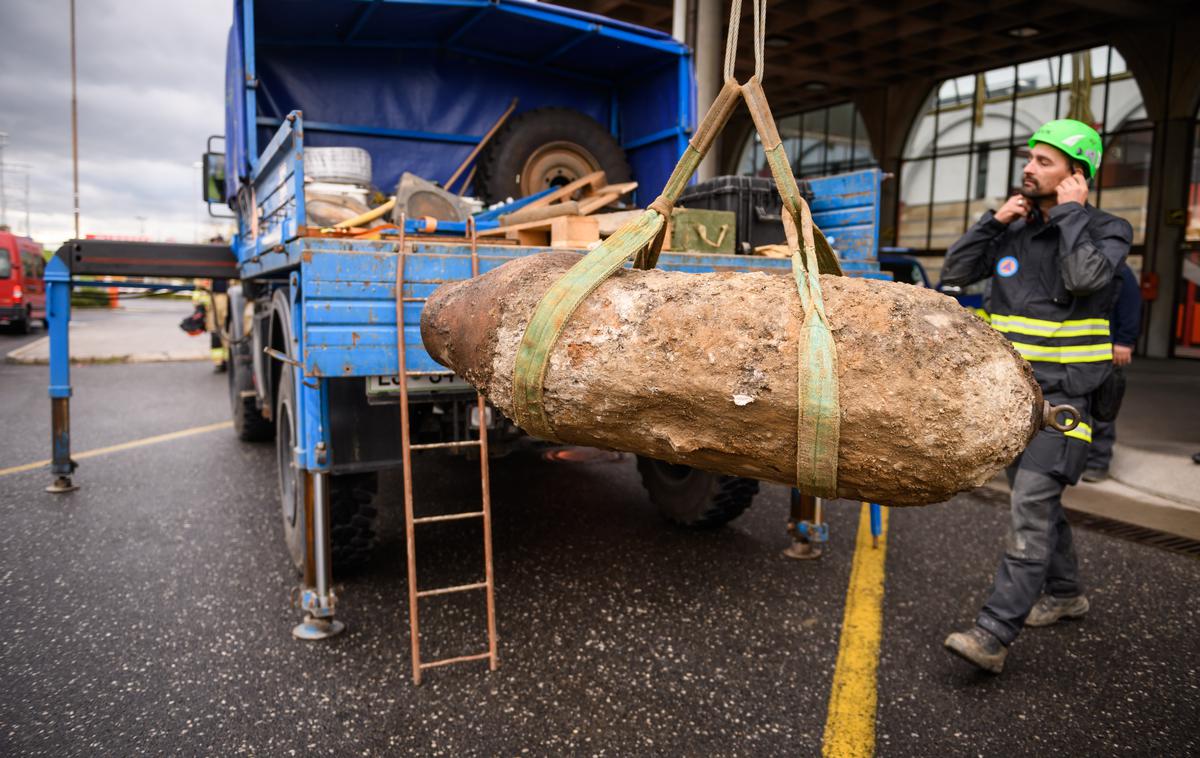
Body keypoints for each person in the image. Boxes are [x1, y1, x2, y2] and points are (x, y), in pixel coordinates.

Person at [938, 119, 1132, 674]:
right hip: (1011, 395)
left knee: (1029, 509)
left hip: (1068, 396)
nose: (1029, 166)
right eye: (1031, 156)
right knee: (1035, 497)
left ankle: (993, 634)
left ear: (1077, 176)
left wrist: (1071, 215)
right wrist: (992, 222)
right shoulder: (1014, 229)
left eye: (1045, 161)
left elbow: (1084, 280)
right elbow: (955, 271)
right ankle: (1066, 592)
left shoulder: (1107, 229)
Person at [1082, 262, 1141, 482]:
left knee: (1102, 408)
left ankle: (1098, 462)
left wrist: (1125, 341)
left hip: (1106, 350)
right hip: (1079, 351)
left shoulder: (1120, 270)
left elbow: (1131, 306)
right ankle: (1076, 459)